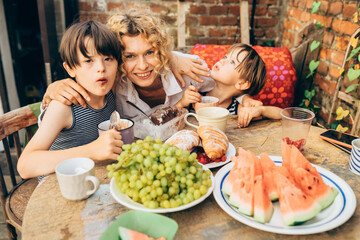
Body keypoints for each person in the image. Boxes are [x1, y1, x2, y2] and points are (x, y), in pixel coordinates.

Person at [41, 9, 213, 118]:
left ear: (161, 50)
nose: (142, 65)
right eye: (129, 56)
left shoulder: (187, 69)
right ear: (115, 58)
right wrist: (52, 89)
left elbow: (231, 84)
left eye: (150, 52)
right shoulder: (111, 84)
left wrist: (242, 101)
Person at [17, 21, 123, 179]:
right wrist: (92, 150)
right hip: (59, 187)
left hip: (94, 179)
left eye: (108, 59)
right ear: (70, 69)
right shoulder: (64, 107)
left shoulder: (112, 92)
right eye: (88, 61)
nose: (101, 68)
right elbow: (25, 166)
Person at [176, 43, 282, 128]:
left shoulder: (238, 109)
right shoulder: (195, 96)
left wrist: (261, 110)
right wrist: (182, 103)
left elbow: (282, 114)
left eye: (232, 62)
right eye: (225, 57)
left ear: (242, 83)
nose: (222, 61)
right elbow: (167, 119)